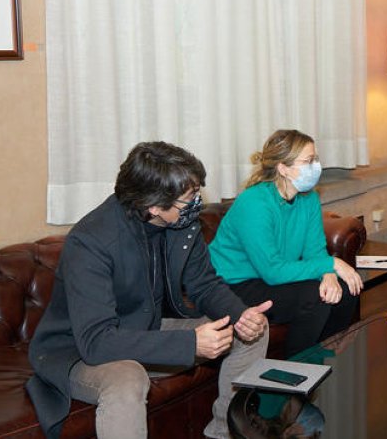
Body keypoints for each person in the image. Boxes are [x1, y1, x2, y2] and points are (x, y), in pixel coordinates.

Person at [26, 142, 272, 439]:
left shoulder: (181, 223)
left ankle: (224, 432)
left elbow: (204, 284)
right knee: (128, 377)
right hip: (77, 351)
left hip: (144, 330)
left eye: (196, 191)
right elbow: (97, 342)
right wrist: (188, 344)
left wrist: (240, 314)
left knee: (251, 332)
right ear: (154, 206)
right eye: (189, 197)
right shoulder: (90, 242)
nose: (197, 202)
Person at [210, 129, 363, 358]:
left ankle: (327, 358)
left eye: (316, 159)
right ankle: (293, 372)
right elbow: (272, 270)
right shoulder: (255, 203)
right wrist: (330, 264)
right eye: (308, 161)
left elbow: (315, 249)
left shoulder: (308, 197)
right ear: (283, 168)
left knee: (345, 289)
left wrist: (329, 274)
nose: (316, 166)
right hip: (235, 283)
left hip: (270, 275)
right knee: (314, 297)